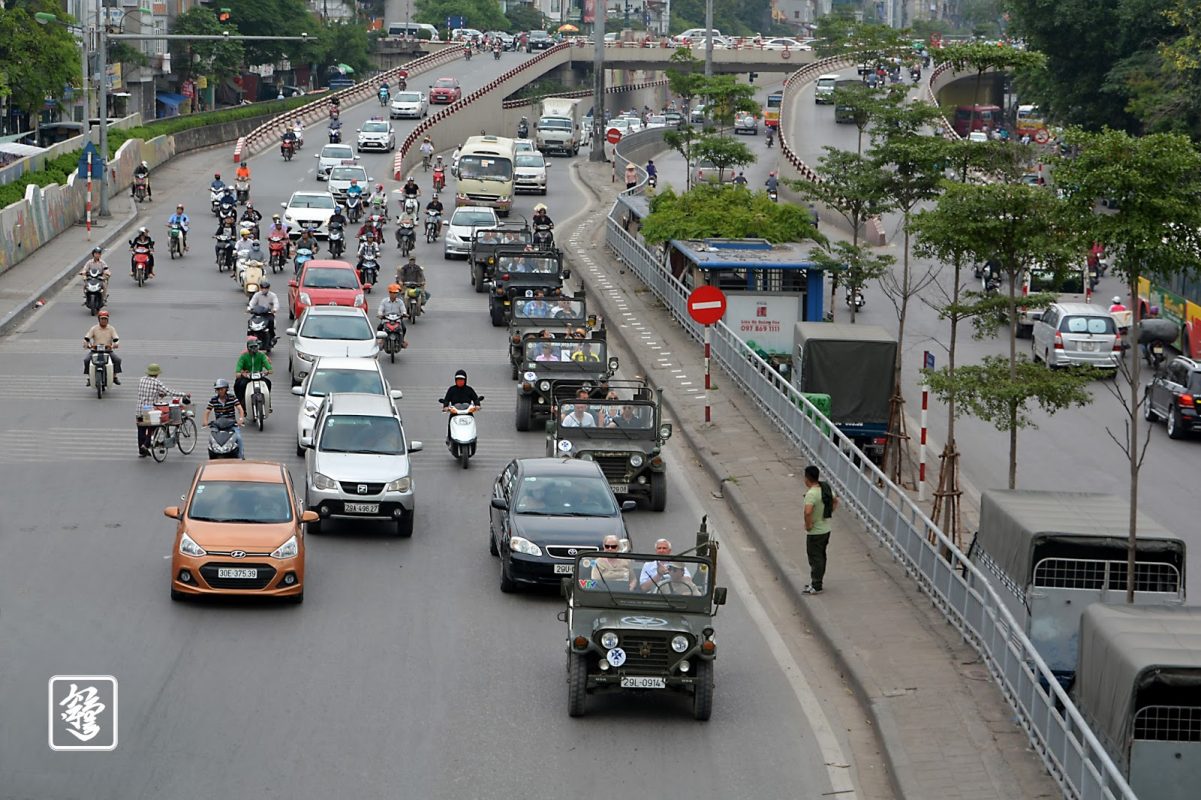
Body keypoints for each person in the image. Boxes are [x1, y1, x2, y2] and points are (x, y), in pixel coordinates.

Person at [802, 464, 838, 594]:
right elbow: (835, 501)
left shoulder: (811, 494)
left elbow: (807, 512)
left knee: (815, 558)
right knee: (821, 556)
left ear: (807, 478)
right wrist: (828, 513)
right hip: (826, 529)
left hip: (815, 532)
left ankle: (816, 584)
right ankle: (816, 581)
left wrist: (808, 525)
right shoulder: (825, 488)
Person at [136, 364, 187, 457]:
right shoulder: (156, 382)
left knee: (141, 429)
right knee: (154, 427)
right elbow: (169, 392)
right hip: (151, 412)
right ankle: (146, 445)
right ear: (156, 374)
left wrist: (159, 394)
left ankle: (141, 450)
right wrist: (183, 394)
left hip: (140, 410)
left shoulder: (141, 380)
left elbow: (147, 392)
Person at [203, 378, 245, 460]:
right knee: (212, 439)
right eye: (218, 389)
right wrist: (205, 422)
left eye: (221, 389)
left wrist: (241, 419)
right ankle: (211, 457)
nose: (220, 391)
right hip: (218, 425)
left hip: (232, 424)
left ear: (226, 389)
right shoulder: (213, 400)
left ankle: (241, 457)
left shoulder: (232, 397)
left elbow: (240, 409)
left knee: (239, 438)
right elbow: (207, 411)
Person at [234, 336, 273, 414]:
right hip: (247, 376)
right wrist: (241, 373)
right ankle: (241, 405)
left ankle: (268, 404)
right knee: (239, 385)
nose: (254, 349)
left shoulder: (261, 355)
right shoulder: (243, 356)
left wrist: (268, 370)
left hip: (259, 376)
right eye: (252, 347)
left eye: (255, 346)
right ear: (248, 348)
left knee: (268, 383)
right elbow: (238, 367)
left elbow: (267, 364)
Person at [441, 369, 482, 441]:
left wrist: (477, 405)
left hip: (467, 412)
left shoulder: (469, 389)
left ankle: (473, 437)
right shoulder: (451, 390)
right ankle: (449, 438)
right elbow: (446, 399)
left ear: (465, 380)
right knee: (450, 422)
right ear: (455, 380)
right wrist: (446, 406)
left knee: (472, 424)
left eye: (462, 380)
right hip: (455, 412)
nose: (460, 381)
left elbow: (475, 398)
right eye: (458, 380)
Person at [83, 310, 122, 385]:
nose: (104, 320)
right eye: (102, 319)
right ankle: (89, 378)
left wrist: (115, 344)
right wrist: (87, 344)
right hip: (95, 350)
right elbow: (87, 338)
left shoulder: (111, 329)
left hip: (107, 350)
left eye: (105, 319)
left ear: (108, 319)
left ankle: (114, 377)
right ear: (99, 319)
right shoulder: (94, 328)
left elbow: (116, 338)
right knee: (86, 360)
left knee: (117, 360)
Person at [247, 279, 279, 344]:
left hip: (268, 314)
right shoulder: (257, 295)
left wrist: (274, 309)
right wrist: (249, 308)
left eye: (266, 288)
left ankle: (272, 336)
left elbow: (276, 303)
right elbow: (252, 303)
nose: (264, 289)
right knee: (250, 321)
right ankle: (250, 335)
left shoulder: (273, 295)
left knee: (271, 322)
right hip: (258, 314)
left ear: (268, 288)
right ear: (260, 288)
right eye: (262, 288)